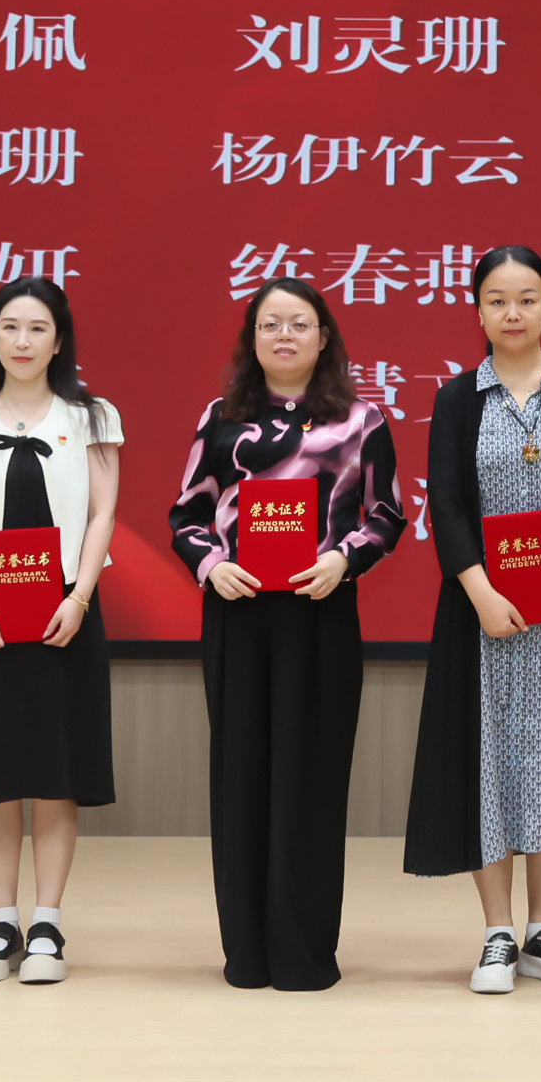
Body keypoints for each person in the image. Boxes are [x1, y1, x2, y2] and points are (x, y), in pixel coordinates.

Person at [169, 277, 408, 991]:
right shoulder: (220, 418)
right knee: (242, 778)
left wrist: (343, 559)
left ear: (323, 337)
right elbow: (187, 515)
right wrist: (213, 565)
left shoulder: (361, 420)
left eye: (299, 323)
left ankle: (304, 953)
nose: (284, 335)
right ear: (252, 338)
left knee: (312, 780)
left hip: (320, 613)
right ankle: (246, 952)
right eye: (270, 323)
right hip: (239, 614)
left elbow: (387, 514)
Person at [406, 245, 541, 995]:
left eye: (526, 298)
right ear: (478, 312)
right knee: (489, 763)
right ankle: (497, 932)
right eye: (497, 300)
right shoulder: (457, 399)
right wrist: (480, 593)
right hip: (483, 617)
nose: (512, 312)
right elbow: (446, 504)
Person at [0, 277, 125, 986]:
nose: (22, 341)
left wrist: (80, 597)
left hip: (65, 613)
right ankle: (1, 920)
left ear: (58, 339)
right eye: (10, 326)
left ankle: (47, 922)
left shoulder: (93, 417)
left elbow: (102, 514)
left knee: (54, 770)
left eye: (37, 328)